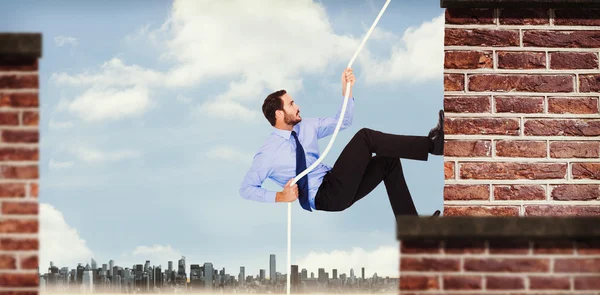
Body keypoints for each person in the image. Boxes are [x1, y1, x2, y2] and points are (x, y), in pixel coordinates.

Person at [239, 68, 443, 217]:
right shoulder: (268, 153)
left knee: (388, 163)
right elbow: (246, 189)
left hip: (334, 182)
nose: (298, 106)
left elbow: (342, 122)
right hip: (324, 196)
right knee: (366, 138)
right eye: (291, 104)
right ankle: (433, 145)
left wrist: (347, 92)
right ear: (279, 114)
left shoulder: (306, 126)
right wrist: (280, 197)